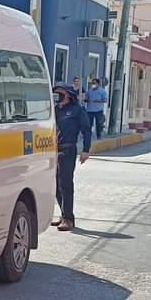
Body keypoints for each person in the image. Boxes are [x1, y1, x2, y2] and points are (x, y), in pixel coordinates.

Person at [52, 83, 91, 232]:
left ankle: (68, 219)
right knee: (55, 185)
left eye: (60, 92)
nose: (57, 95)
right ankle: (63, 214)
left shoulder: (77, 110)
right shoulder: (55, 110)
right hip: (53, 151)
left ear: (68, 94)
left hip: (68, 150)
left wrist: (86, 150)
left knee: (66, 184)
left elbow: (86, 130)